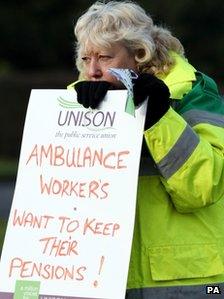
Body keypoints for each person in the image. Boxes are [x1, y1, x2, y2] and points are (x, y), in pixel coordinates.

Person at [69, 1, 224, 298]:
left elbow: (204, 187)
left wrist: (159, 117)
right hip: (99, 278)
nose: (93, 71)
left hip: (185, 281)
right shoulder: (75, 104)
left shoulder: (193, 93)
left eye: (104, 57)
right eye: (86, 58)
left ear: (139, 54)